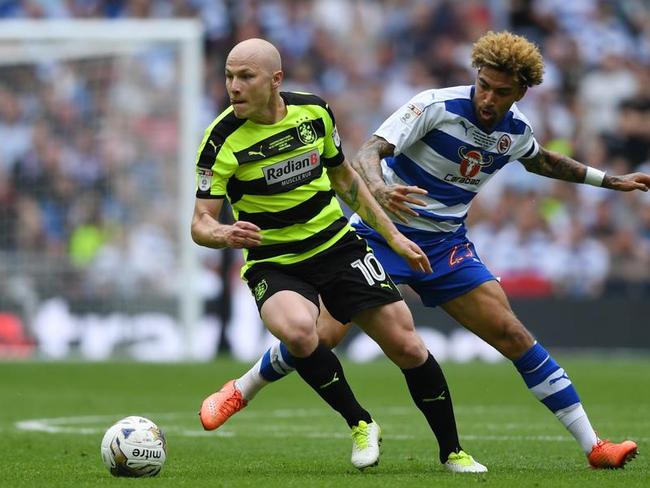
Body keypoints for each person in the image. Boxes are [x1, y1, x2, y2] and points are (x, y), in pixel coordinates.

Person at [207, 31, 648, 470]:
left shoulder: (514, 132)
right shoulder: (434, 106)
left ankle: (595, 447)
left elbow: (543, 160)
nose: (489, 99)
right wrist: (379, 190)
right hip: (381, 236)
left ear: (522, 93)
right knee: (317, 337)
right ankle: (243, 388)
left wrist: (609, 180)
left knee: (513, 335)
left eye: (502, 92)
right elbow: (366, 154)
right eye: (484, 86)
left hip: (446, 246)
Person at [193, 38, 486, 473]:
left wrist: (396, 237)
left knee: (406, 345)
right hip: (275, 260)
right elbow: (200, 222)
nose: (233, 86)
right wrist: (222, 233)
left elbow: (346, 180)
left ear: (275, 81)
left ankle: (452, 452)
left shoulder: (313, 112)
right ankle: (360, 422)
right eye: (229, 77)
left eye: (245, 77)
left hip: (337, 245)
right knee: (299, 333)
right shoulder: (220, 139)